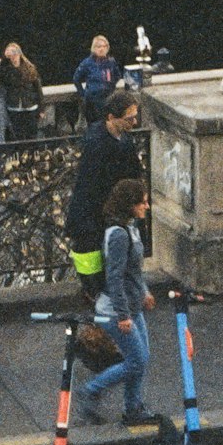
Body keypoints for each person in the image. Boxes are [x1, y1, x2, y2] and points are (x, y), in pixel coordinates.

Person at [76, 178, 158, 427]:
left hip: (131, 305)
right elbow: (115, 277)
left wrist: (143, 291)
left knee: (141, 358)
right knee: (136, 360)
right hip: (116, 310)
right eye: (142, 202)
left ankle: (133, 408)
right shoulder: (119, 235)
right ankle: (91, 390)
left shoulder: (130, 227)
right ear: (129, 205)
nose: (147, 206)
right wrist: (122, 315)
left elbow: (132, 271)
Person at [64, 90, 143, 302]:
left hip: (103, 212)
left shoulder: (119, 137)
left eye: (135, 117)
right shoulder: (98, 144)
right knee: (94, 261)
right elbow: (96, 184)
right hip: (92, 214)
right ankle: (96, 294)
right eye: (129, 118)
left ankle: (100, 294)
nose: (134, 122)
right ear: (111, 118)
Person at [0, 42, 44, 141]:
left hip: (30, 107)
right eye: (10, 54)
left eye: (14, 53)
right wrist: (1, 64)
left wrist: (41, 108)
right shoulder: (5, 69)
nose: (13, 56)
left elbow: (38, 89)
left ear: (19, 53)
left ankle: (32, 154)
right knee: (17, 137)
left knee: (32, 136)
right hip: (14, 108)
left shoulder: (29, 68)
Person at [73, 36, 123, 125]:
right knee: (94, 126)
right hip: (92, 101)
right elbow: (76, 79)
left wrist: (111, 86)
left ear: (107, 48)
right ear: (93, 48)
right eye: (99, 46)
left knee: (108, 125)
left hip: (108, 99)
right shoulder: (87, 63)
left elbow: (117, 75)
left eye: (104, 46)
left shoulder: (111, 62)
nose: (102, 49)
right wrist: (82, 94)